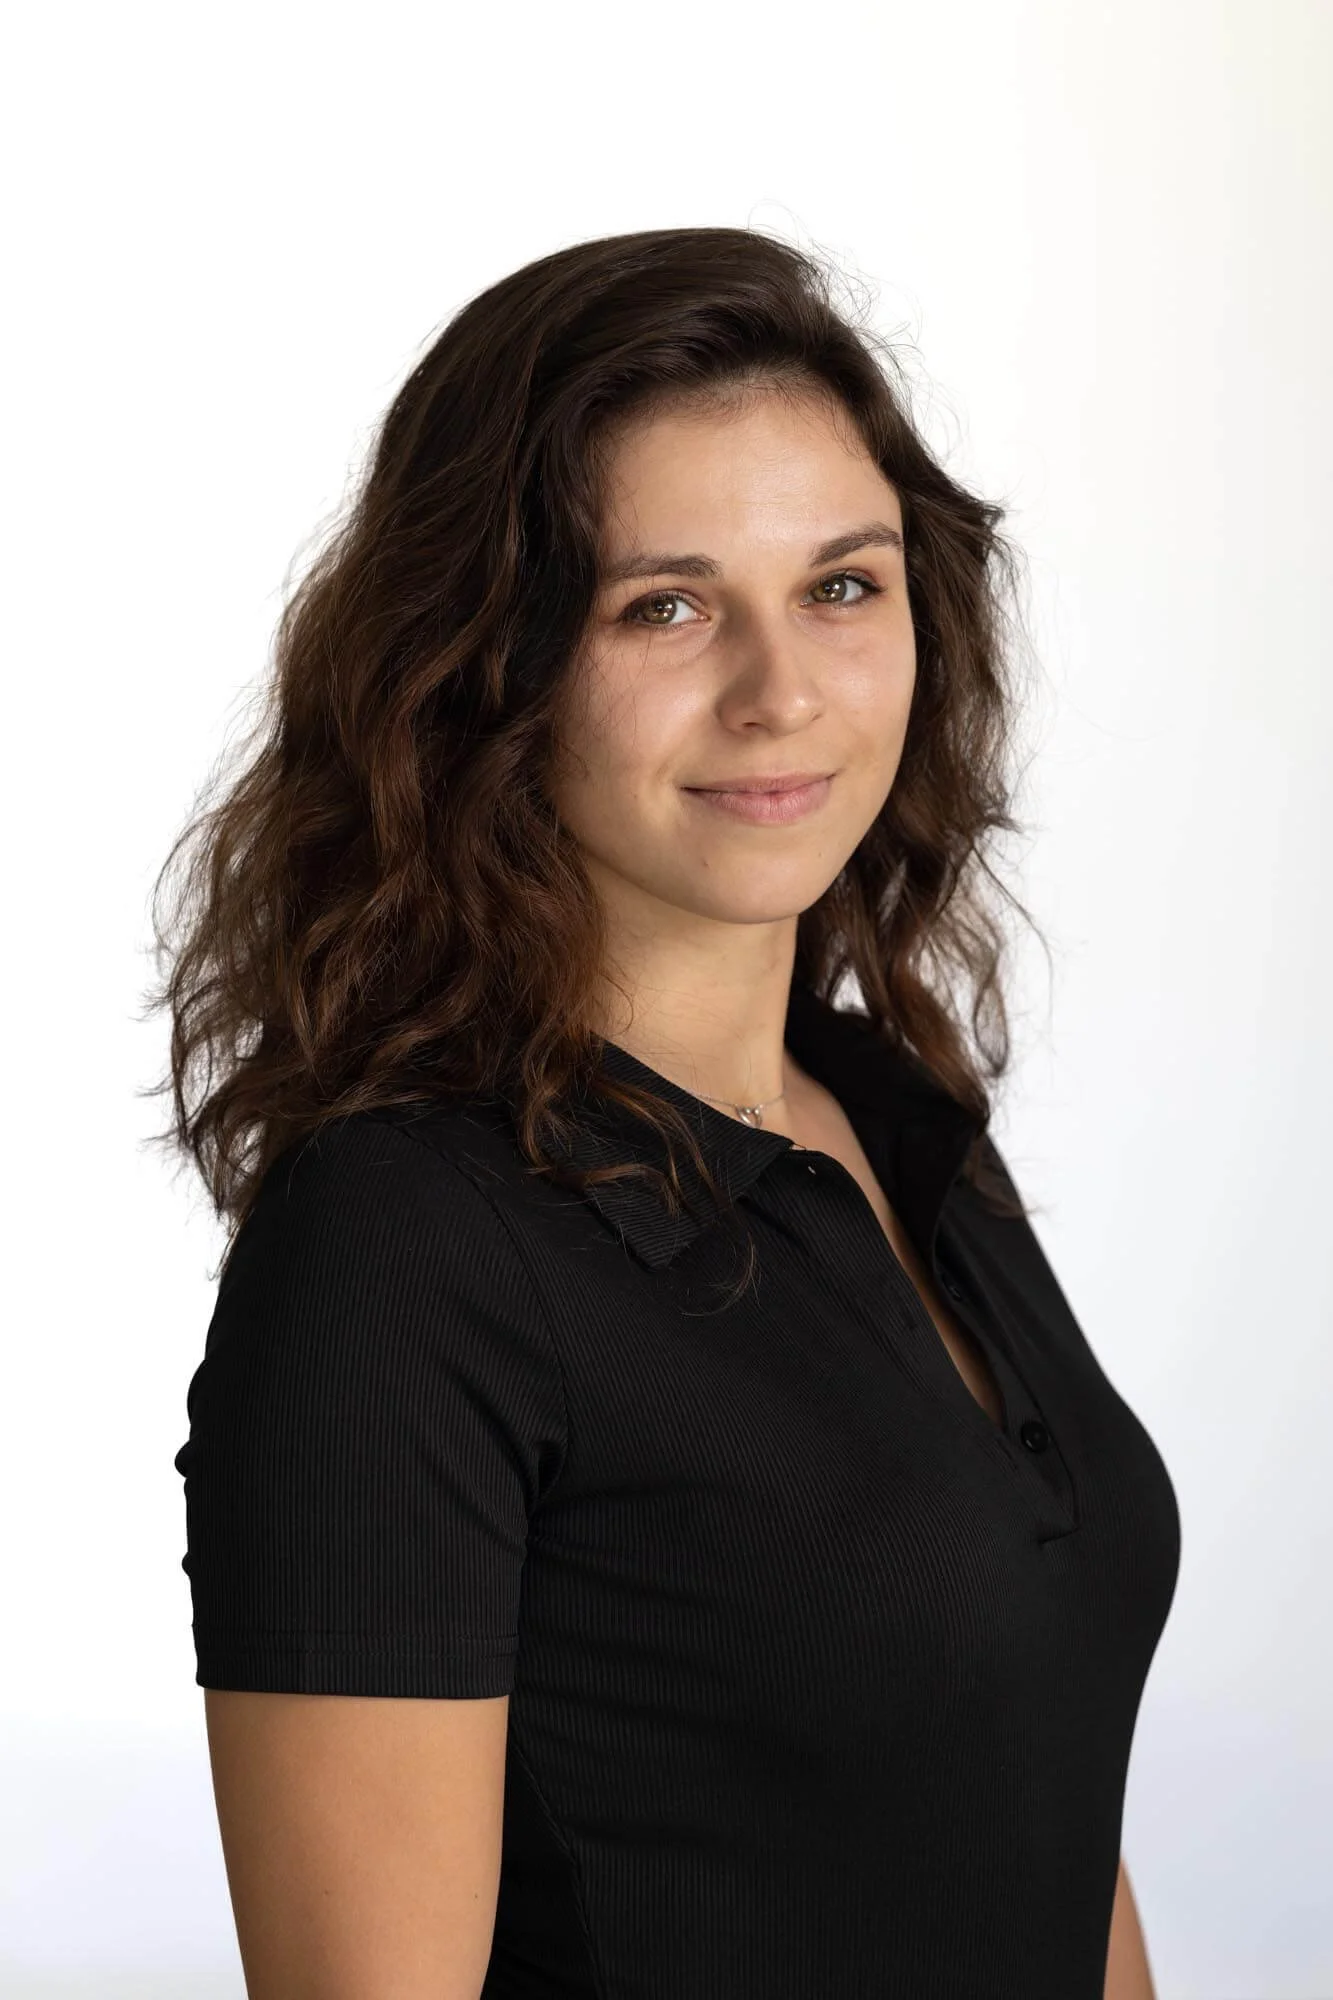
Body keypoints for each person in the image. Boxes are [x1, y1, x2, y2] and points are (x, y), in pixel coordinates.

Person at [150, 225, 1180, 1999]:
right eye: (668, 605)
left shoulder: (897, 1117)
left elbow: (1037, 1799)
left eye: (844, 587)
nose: (782, 692)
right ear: (488, 665)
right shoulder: (403, 1254)